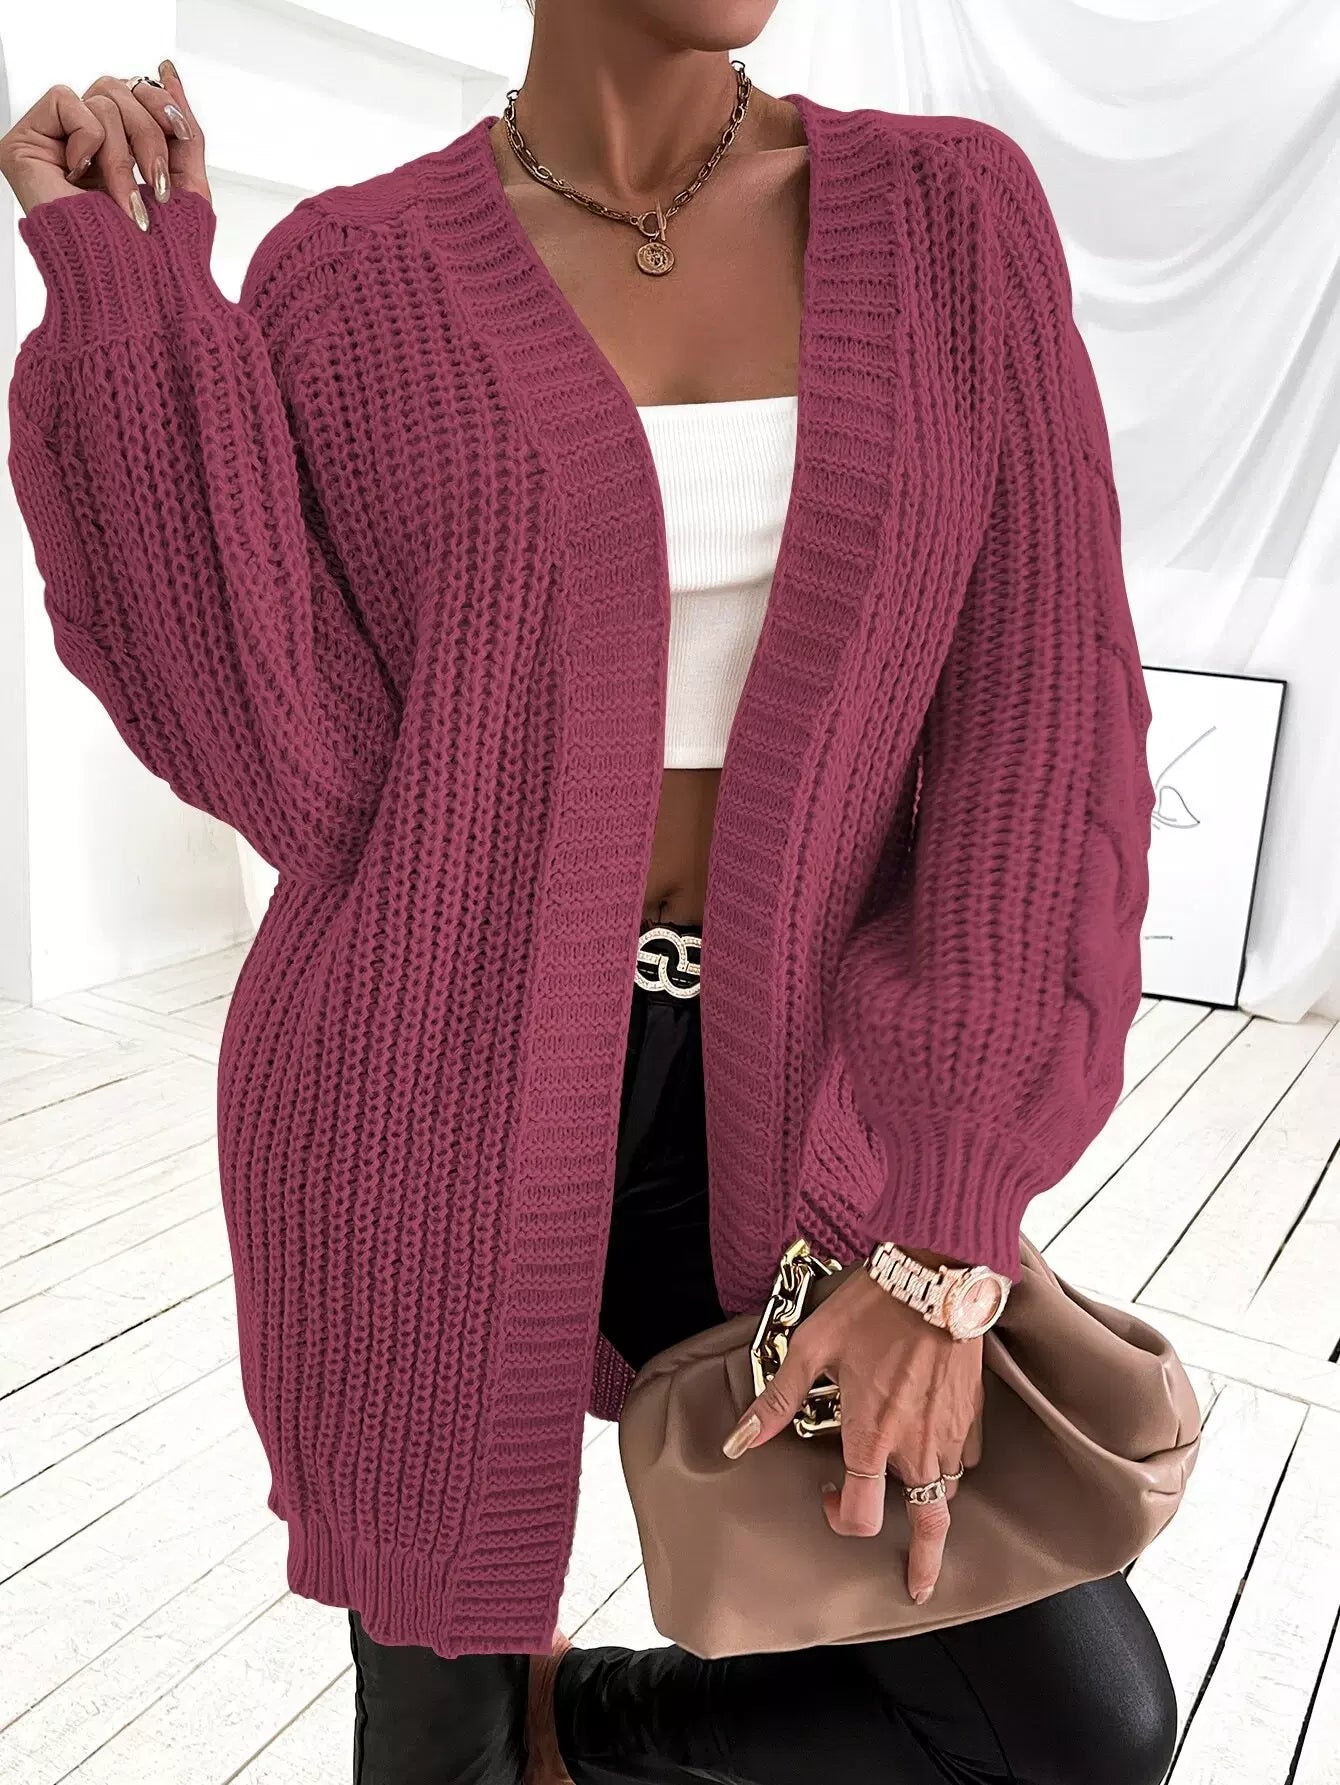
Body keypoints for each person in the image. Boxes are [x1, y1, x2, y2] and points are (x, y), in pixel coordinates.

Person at [1, 2, 1176, 1781]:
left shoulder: (952, 218)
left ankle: (588, 1731)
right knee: (434, 1750)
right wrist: (133, 305)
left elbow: (1044, 734)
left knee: (1074, 1728)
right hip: (415, 1085)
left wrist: (943, 1237)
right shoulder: (352, 277)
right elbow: (295, 762)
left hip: (806, 1102)